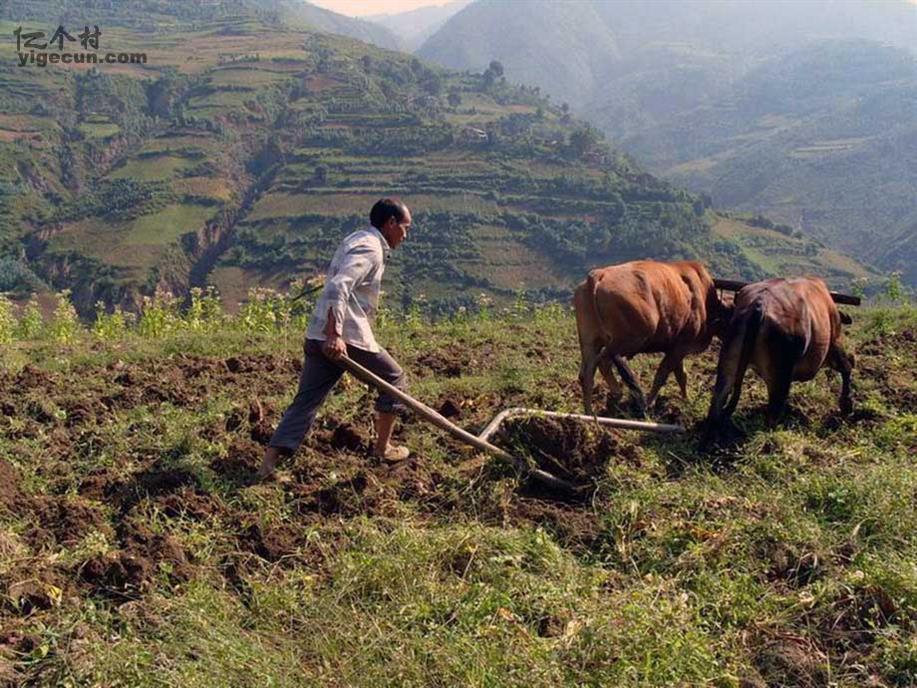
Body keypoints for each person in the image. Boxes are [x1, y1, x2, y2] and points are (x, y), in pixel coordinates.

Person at [257, 198, 413, 479]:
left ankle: (268, 465)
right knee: (394, 379)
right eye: (404, 227)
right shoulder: (371, 248)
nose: (406, 235)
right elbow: (339, 287)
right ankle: (382, 448)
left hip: (318, 334)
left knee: (306, 400)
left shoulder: (358, 238)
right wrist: (335, 334)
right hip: (344, 338)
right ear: (390, 223)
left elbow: (338, 282)